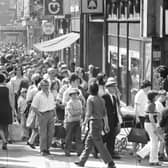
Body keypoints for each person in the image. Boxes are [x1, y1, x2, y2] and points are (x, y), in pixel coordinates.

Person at [74, 82, 116, 168]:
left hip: (93, 122)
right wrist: (106, 125)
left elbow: (89, 113)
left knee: (98, 143)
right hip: (100, 122)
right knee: (88, 143)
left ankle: (110, 162)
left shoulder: (90, 99)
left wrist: (84, 122)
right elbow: (105, 114)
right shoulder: (101, 99)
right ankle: (81, 161)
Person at [136, 90, 162, 166]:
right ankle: (153, 160)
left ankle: (141, 154)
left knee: (154, 141)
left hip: (148, 124)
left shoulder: (149, 104)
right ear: (153, 97)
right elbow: (151, 117)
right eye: (156, 95)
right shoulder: (152, 104)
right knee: (155, 142)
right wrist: (155, 127)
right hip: (151, 124)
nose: (157, 97)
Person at [31, 79, 56, 156]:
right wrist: (39, 115)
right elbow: (33, 107)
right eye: (44, 85)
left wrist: (55, 115)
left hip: (51, 114)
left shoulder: (51, 94)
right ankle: (43, 149)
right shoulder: (38, 95)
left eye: (47, 85)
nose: (46, 87)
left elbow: (53, 105)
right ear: (41, 86)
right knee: (43, 134)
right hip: (43, 114)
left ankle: (47, 148)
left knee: (51, 133)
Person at [102, 78, 122, 159]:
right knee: (106, 136)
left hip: (113, 119)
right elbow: (104, 110)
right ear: (109, 87)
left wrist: (118, 120)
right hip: (107, 119)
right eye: (113, 87)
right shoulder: (104, 97)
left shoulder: (114, 97)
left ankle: (111, 152)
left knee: (112, 137)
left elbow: (116, 109)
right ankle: (96, 149)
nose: (115, 89)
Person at [64, 88, 83, 156]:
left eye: (76, 94)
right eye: (73, 94)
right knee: (69, 137)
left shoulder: (79, 102)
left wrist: (76, 112)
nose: (74, 96)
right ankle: (67, 151)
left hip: (78, 121)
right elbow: (71, 113)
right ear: (70, 95)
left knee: (78, 137)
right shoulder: (69, 103)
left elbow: (81, 111)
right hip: (70, 121)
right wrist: (77, 112)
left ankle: (79, 151)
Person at [0, 73, 14, 150]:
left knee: (0, 127)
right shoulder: (7, 89)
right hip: (7, 108)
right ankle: (4, 142)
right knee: (6, 127)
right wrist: (12, 109)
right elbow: (10, 100)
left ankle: (4, 140)